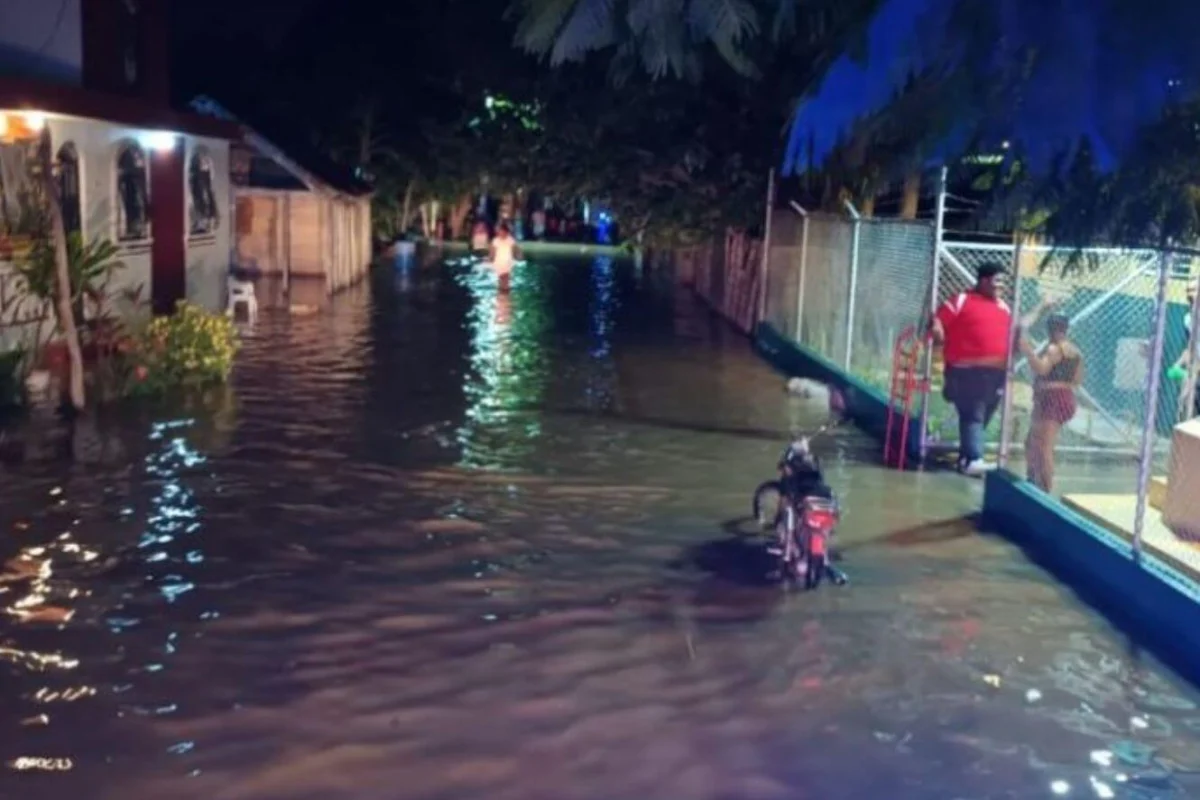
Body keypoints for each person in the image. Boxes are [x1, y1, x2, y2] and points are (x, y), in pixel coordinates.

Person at [931, 262, 1013, 476]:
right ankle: (974, 459)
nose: (1001, 286)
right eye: (997, 280)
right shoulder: (961, 300)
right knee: (973, 415)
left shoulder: (1003, 306)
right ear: (984, 280)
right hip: (965, 371)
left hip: (995, 374)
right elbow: (939, 322)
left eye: (1003, 282)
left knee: (982, 415)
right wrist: (938, 330)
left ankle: (966, 458)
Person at [1018, 309, 1082, 493]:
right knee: (1031, 442)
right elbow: (1077, 380)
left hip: (1052, 400)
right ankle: (1033, 478)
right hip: (1065, 399)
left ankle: (1044, 488)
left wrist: (1028, 351)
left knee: (1044, 447)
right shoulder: (1076, 351)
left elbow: (1042, 369)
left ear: (1050, 329)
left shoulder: (1055, 348)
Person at [489, 222, 520, 292]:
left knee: (506, 278)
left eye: (503, 232)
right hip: (499, 262)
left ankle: (506, 291)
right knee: (501, 278)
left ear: (506, 232)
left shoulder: (510, 240)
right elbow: (492, 253)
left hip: (507, 262)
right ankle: (501, 291)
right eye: (500, 232)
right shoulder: (495, 241)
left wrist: (518, 256)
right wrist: (490, 260)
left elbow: (516, 249)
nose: (501, 233)